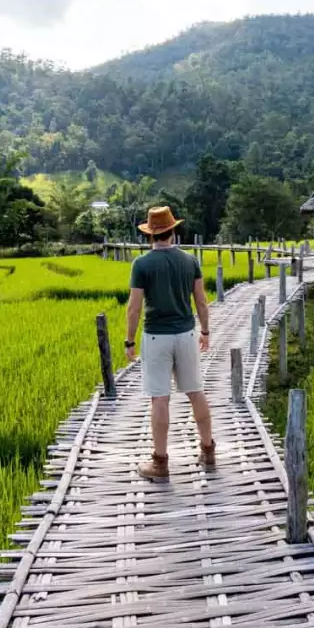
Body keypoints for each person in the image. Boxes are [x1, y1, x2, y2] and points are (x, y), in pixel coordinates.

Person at [124, 205, 215, 481]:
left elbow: (134, 308)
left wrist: (129, 341)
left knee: (159, 398)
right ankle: (208, 451)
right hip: (186, 334)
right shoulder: (190, 261)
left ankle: (161, 464)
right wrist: (206, 331)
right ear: (173, 231)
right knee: (195, 391)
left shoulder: (141, 264)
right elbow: (200, 300)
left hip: (156, 337)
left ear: (150, 235)